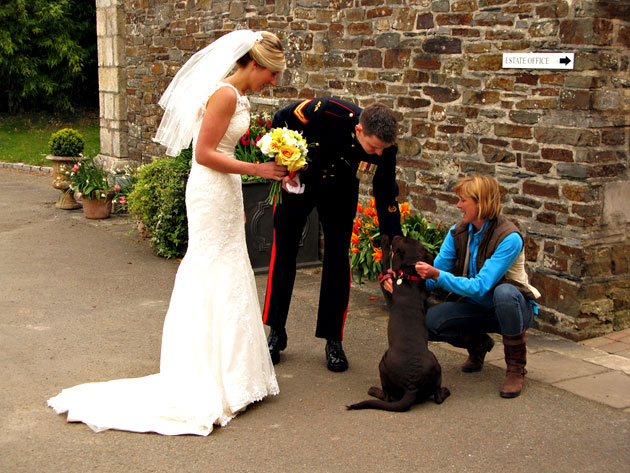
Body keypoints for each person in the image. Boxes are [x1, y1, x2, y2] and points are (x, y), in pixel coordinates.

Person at [47, 30, 287, 435]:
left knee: (228, 266)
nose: (274, 82)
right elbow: (205, 153)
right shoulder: (226, 94)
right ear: (255, 63)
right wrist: (258, 170)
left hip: (222, 190)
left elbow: (222, 151)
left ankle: (233, 375)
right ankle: (207, 376)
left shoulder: (238, 95)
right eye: (272, 73)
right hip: (210, 185)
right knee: (210, 267)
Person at [263, 98, 402, 372]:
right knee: (284, 253)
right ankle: (276, 331)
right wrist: (282, 166)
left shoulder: (386, 147)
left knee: (338, 261)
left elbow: (386, 193)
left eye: (381, 149)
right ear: (360, 130)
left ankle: (333, 340)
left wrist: (394, 241)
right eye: (373, 147)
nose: (376, 154)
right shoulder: (327, 112)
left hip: (339, 192)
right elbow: (281, 120)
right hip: (300, 183)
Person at [385, 174, 540, 398]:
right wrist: (399, 279)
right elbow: (428, 279)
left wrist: (438, 275)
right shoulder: (457, 233)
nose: (458, 205)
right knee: (427, 323)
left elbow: (481, 286)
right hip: (476, 307)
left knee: (505, 292)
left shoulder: (509, 238)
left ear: (481, 202)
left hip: (514, 309)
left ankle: (515, 369)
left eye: (463, 200)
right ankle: (478, 344)